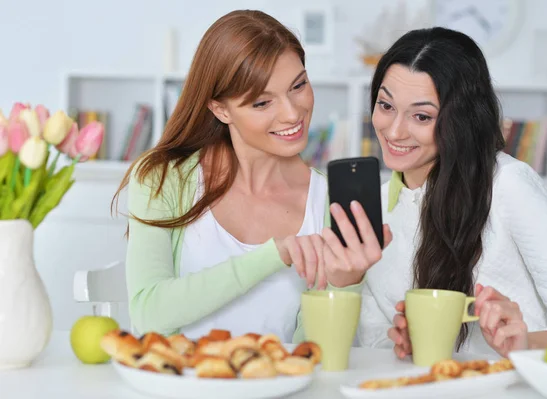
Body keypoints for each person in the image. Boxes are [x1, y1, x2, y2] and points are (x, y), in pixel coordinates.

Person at [111, 10, 376, 342]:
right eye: (263, 103)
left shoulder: (327, 199)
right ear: (220, 109)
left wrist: (345, 282)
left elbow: (315, 356)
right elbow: (149, 315)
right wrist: (271, 256)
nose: (293, 113)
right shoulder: (164, 179)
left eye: (298, 85)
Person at [344, 27, 547, 358]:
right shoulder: (375, 207)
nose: (393, 130)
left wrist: (525, 343)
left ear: (460, 119)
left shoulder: (508, 185)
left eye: (421, 116)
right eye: (386, 105)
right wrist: (403, 344)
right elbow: (376, 337)